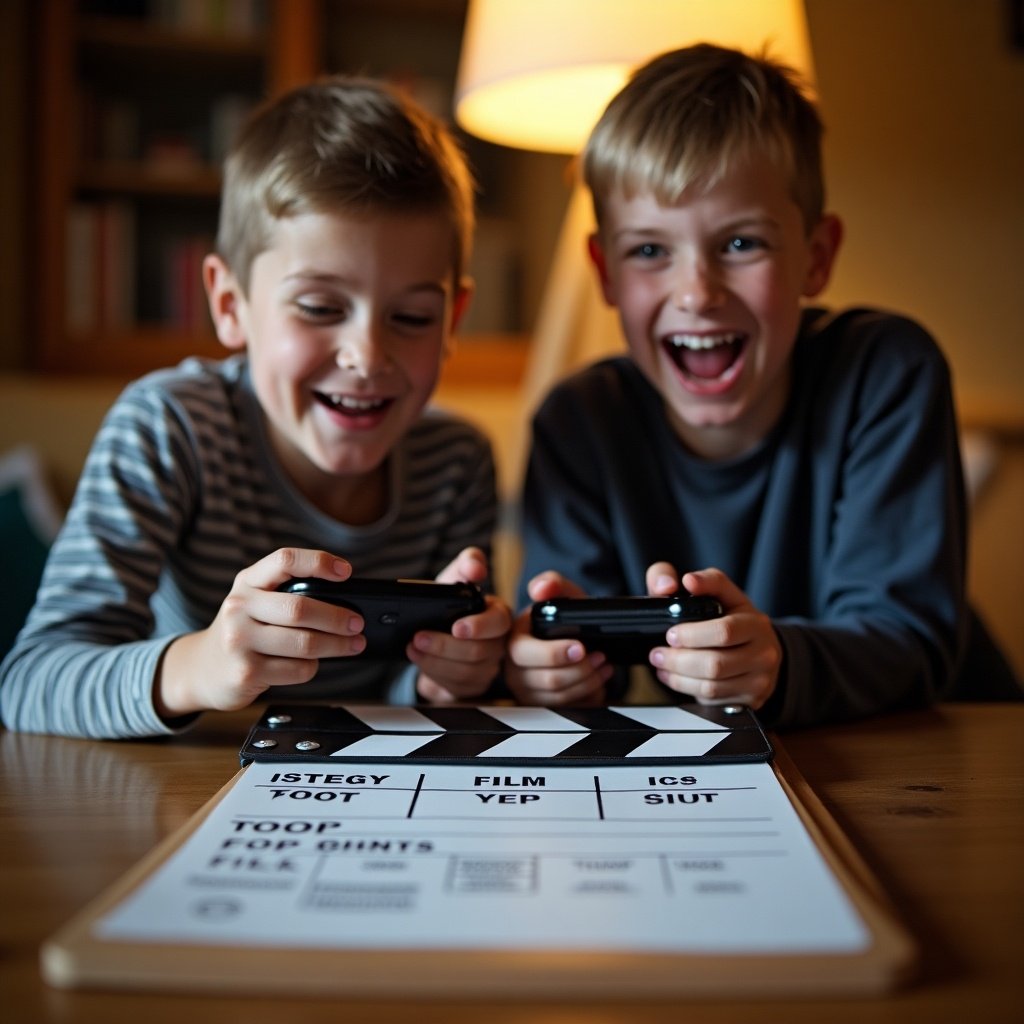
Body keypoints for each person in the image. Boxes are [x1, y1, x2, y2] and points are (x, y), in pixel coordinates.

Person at [0, 77, 511, 739]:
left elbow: (412, 693)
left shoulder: (456, 462)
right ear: (229, 303)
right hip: (185, 792)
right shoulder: (170, 427)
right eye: (321, 307)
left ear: (453, 320)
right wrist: (199, 667)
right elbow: (31, 678)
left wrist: (448, 676)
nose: (366, 353)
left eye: (412, 316)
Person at [506, 43, 990, 728]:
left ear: (816, 258)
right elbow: (583, 657)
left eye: (740, 244)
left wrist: (780, 662)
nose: (696, 293)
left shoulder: (886, 372)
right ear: (605, 271)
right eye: (649, 250)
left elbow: (909, 641)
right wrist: (552, 673)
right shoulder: (578, 422)